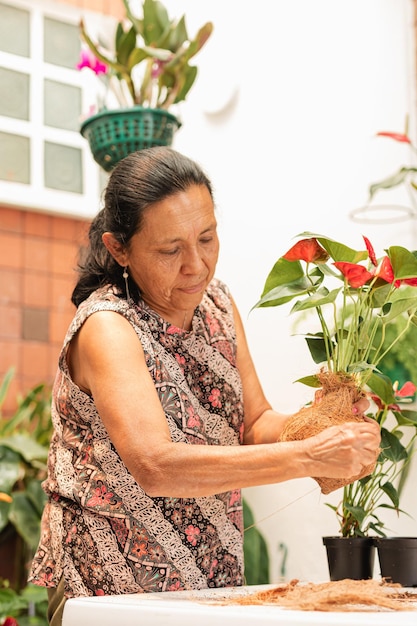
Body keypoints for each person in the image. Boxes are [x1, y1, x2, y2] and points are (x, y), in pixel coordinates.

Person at [28, 147, 380, 625]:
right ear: (119, 249)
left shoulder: (218, 303)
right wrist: (310, 457)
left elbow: (253, 423)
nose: (196, 264)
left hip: (210, 585)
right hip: (111, 592)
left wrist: (317, 424)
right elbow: (156, 466)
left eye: (208, 238)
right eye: (170, 250)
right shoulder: (108, 327)